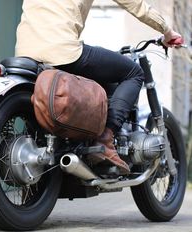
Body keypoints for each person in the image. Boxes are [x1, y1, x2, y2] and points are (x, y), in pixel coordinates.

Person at [16, 0, 182, 174]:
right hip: (62, 50)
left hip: (26, 53)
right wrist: (167, 31)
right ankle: (105, 139)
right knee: (134, 73)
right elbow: (135, 5)